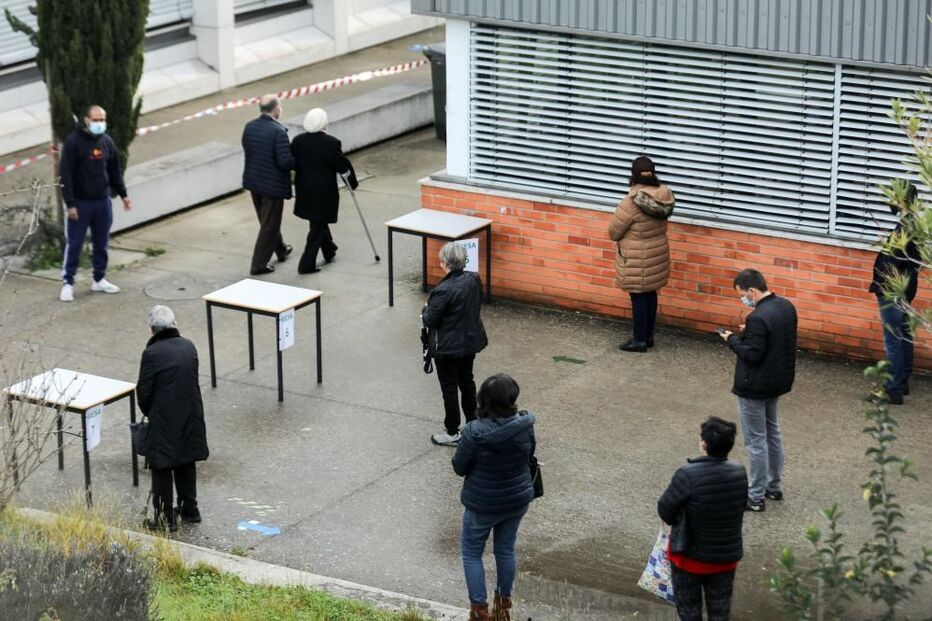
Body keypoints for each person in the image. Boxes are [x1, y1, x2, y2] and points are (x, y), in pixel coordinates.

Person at [452, 374, 536, 621]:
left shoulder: (474, 432)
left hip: (482, 504)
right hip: (517, 499)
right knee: (506, 549)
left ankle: (479, 611)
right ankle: (502, 608)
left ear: (483, 399)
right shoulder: (525, 424)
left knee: (471, 553)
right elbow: (529, 454)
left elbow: (459, 467)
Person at [718, 269, 797, 512]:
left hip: (754, 386)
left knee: (755, 441)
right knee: (773, 433)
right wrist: (750, 333)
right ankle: (774, 486)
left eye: (742, 295)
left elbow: (751, 355)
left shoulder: (758, 318)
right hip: (777, 381)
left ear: (752, 290)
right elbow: (773, 339)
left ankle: (755, 496)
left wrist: (731, 338)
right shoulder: (785, 307)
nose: (743, 299)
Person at [657, 417, 747, 621]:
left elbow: (665, 510)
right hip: (725, 559)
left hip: (689, 559)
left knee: (689, 611)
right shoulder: (739, 472)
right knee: (720, 612)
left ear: (704, 444)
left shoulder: (687, 474)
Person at [136, 305, 209, 531]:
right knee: (186, 460)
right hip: (190, 413)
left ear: (152, 329)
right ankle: (190, 509)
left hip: (164, 419)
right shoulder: (189, 346)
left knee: (162, 466)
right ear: (174, 324)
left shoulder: (151, 354)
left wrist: (150, 412)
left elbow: (144, 392)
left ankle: (165, 519)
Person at [58, 104, 132, 302]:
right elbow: (66, 175)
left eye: (102, 120)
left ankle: (99, 279)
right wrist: (70, 204)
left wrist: (123, 194)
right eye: (96, 120)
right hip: (81, 204)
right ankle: (68, 282)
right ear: (86, 120)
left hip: (102, 202)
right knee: (75, 243)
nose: (100, 123)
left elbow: (115, 170)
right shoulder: (73, 143)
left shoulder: (107, 141)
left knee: (102, 243)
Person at [422, 242, 488, 446]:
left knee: (449, 388)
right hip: (469, 342)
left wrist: (425, 309)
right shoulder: (473, 279)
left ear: (445, 263)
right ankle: (472, 423)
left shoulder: (443, 290)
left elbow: (430, 320)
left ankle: (452, 431)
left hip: (448, 348)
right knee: (467, 381)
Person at [608, 156, 676, 352]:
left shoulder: (631, 201)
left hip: (636, 256)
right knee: (650, 294)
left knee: (638, 296)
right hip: (657, 252)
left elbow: (614, 232)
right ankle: (648, 336)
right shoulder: (663, 195)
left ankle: (639, 340)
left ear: (633, 174)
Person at [868, 181, 922, 405]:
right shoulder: (913, 224)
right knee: (903, 335)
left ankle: (893, 390)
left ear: (902, 199)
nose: (889, 201)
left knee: (894, 339)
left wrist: (881, 286)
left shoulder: (905, 228)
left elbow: (892, 262)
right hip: (904, 289)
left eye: (893, 196)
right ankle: (902, 380)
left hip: (893, 291)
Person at [290, 108, 358, 274]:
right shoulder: (331, 143)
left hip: (304, 189)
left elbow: (293, 162)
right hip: (323, 192)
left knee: (317, 220)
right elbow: (343, 166)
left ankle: (329, 249)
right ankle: (306, 264)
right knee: (318, 227)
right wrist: (352, 183)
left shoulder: (298, 141)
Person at [241, 94, 294, 275]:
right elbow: (285, 162)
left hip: (254, 182)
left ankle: (281, 249)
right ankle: (258, 264)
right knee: (269, 225)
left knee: (268, 221)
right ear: (276, 109)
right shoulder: (278, 132)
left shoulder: (249, 127)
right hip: (272, 186)